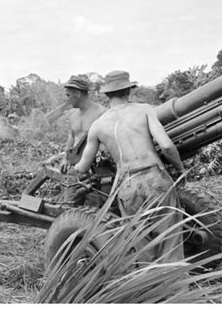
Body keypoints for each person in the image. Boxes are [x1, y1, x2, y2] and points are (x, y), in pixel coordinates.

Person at [74, 70, 186, 263]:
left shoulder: (98, 125)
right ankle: (178, 289)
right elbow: (166, 145)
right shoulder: (144, 110)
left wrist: (72, 168)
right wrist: (181, 169)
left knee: (142, 247)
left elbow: (82, 167)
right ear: (128, 90)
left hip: (127, 186)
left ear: (107, 94)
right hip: (155, 178)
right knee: (170, 242)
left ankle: (150, 290)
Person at [58, 75, 107, 206]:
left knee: (94, 208)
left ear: (78, 93)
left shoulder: (101, 113)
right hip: (74, 169)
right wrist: (65, 158)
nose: (67, 99)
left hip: (95, 170)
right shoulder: (73, 114)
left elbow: (107, 141)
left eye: (68, 95)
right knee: (69, 206)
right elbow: (72, 136)